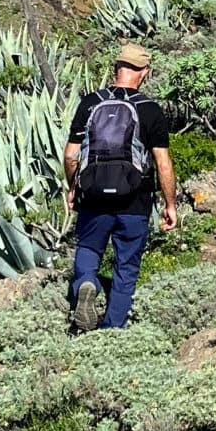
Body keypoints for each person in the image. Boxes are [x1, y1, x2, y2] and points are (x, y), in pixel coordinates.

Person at [63, 43, 177, 332]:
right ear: (144, 72)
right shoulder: (150, 109)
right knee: (126, 266)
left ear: (116, 68)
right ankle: (113, 330)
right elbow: (163, 163)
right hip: (134, 200)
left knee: (89, 248)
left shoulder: (90, 102)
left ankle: (86, 282)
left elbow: (71, 155)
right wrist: (170, 204)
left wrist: (73, 187)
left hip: (93, 195)